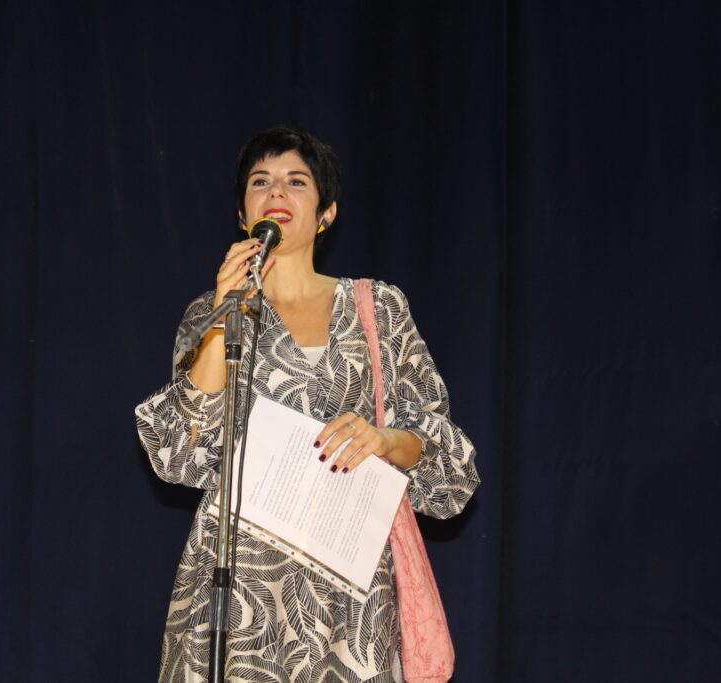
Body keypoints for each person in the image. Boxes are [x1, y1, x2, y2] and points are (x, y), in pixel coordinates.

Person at [135, 126, 480, 682]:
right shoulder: (210, 311)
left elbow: (448, 462)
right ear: (243, 213)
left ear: (327, 212)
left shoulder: (378, 307)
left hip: (352, 595)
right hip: (237, 593)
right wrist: (224, 313)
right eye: (260, 181)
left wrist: (383, 440)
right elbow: (179, 451)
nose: (276, 191)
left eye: (296, 181)